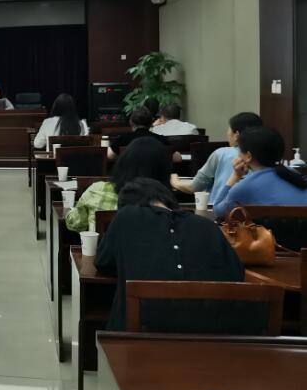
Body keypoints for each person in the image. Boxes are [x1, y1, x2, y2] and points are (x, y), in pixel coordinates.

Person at [96, 178, 243, 331]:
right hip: (212, 331)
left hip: (140, 331)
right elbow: (237, 273)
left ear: (126, 204)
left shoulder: (126, 216)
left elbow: (103, 262)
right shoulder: (207, 225)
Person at [66, 137, 172, 232]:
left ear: (122, 162)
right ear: (164, 171)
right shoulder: (166, 206)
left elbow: (75, 225)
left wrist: (68, 209)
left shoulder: (97, 191)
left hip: (102, 248)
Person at [213, 127, 307, 218]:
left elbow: (218, 210)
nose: (238, 154)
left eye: (239, 150)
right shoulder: (298, 180)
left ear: (248, 156)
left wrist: (235, 175)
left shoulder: (244, 188)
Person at [172, 112, 263, 200]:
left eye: (229, 129)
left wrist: (175, 181)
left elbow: (194, 187)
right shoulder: (265, 156)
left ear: (236, 135)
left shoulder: (221, 154)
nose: (227, 133)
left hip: (220, 209)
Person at [107, 108, 172, 160]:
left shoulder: (124, 139)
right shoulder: (161, 139)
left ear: (131, 122)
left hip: (130, 173)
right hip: (155, 173)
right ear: (150, 123)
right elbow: (175, 158)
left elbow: (109, 155)